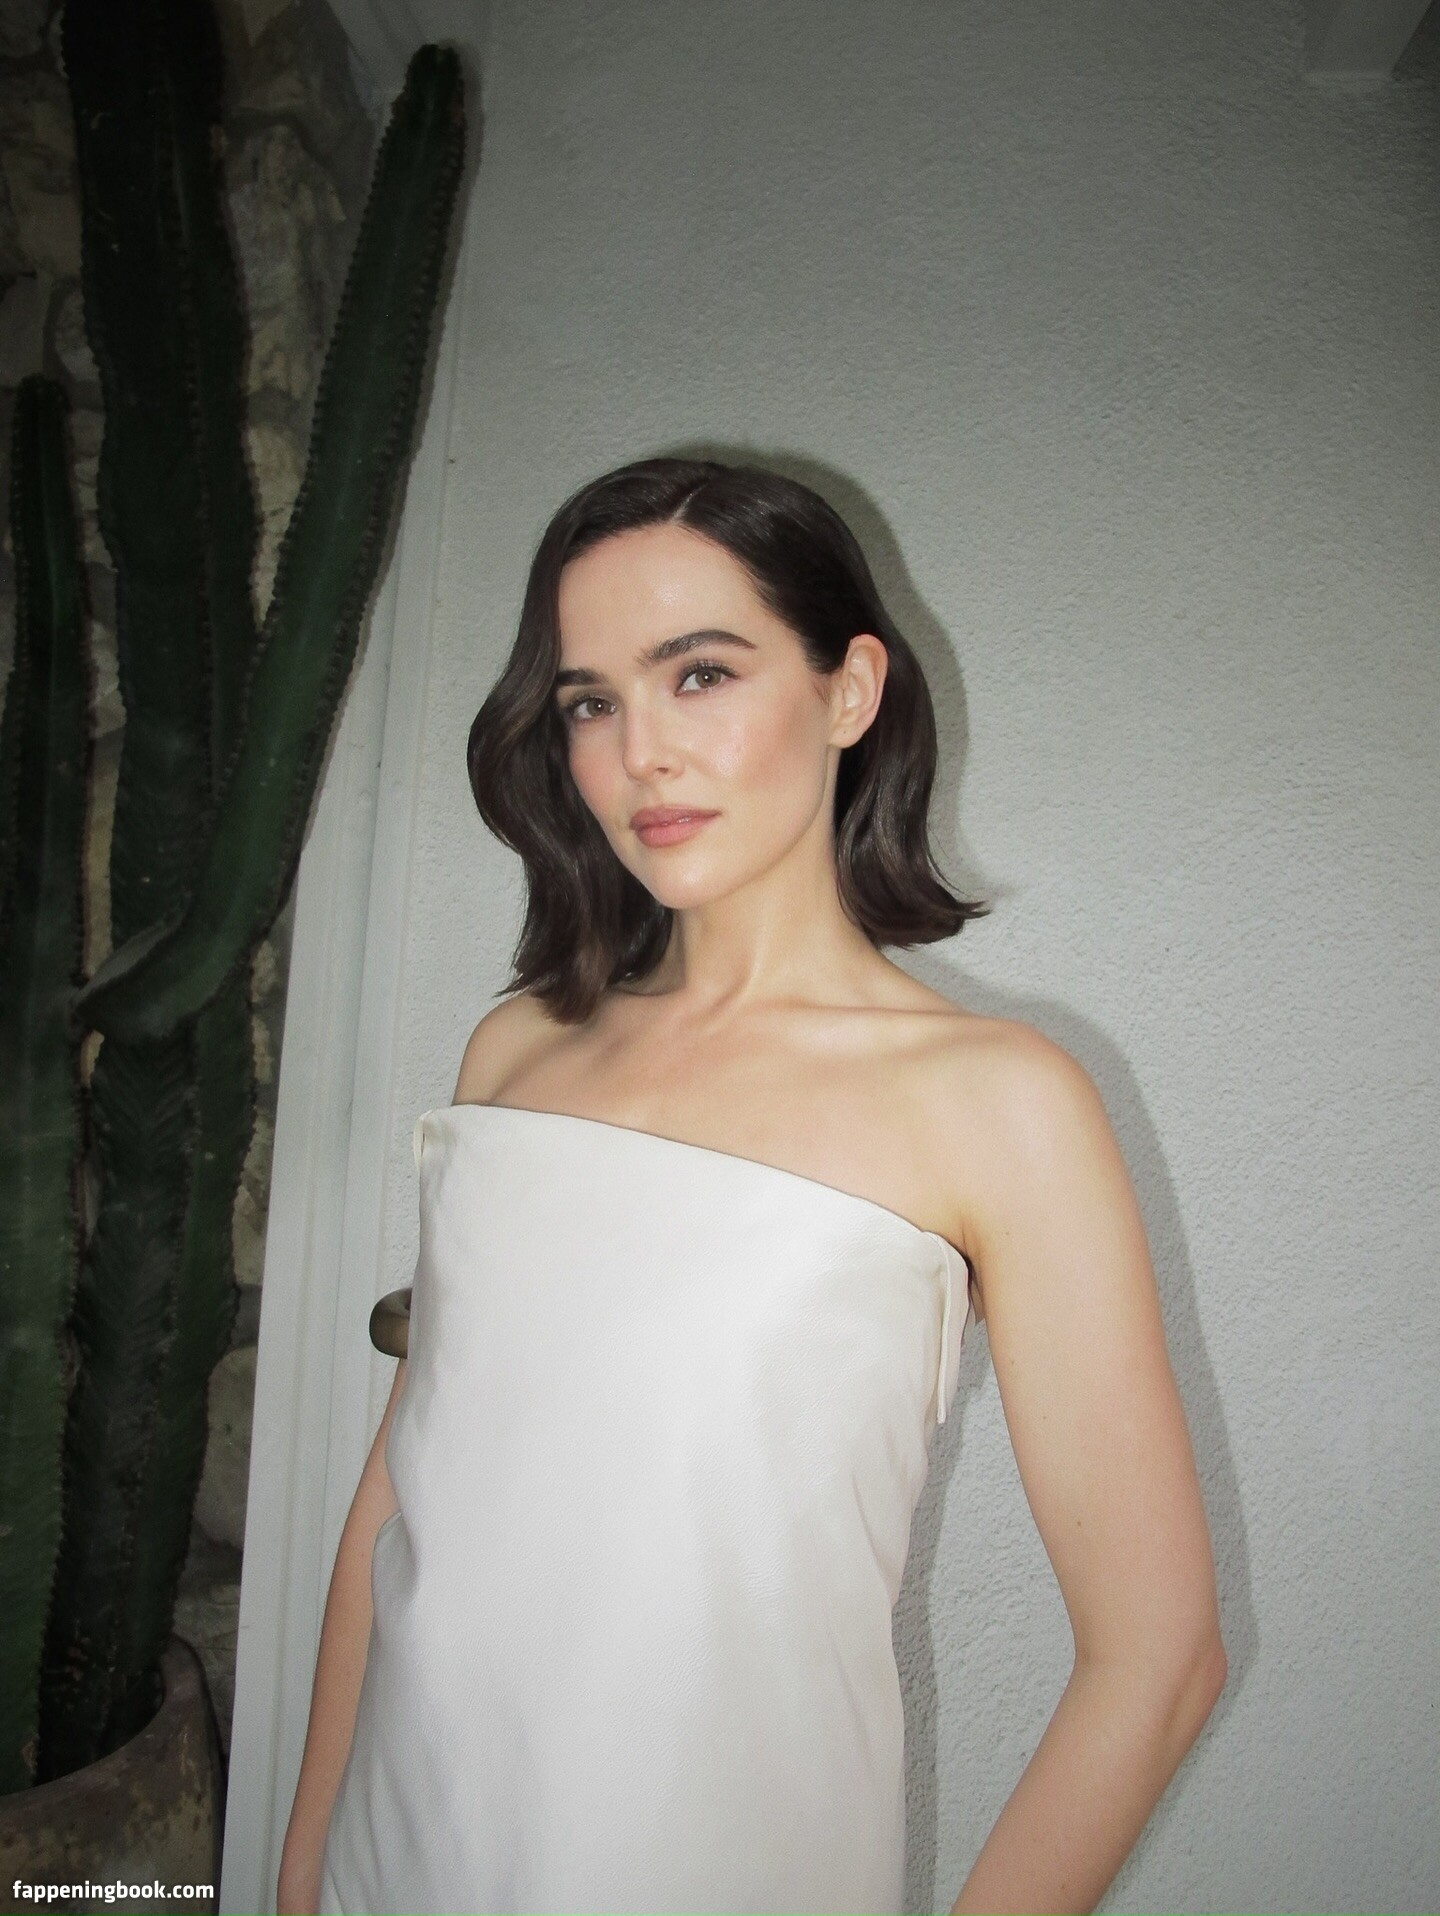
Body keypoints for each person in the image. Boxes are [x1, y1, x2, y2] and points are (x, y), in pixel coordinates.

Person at [278, 457, 1226, 1916]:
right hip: (394, 1864)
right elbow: (404, 1496)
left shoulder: (1000, 1103)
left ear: (852, 691)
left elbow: (1157, 1663)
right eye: (590, 701)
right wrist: (301, 1870)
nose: (640, 754)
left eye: (701, 675)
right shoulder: (517, 1049)